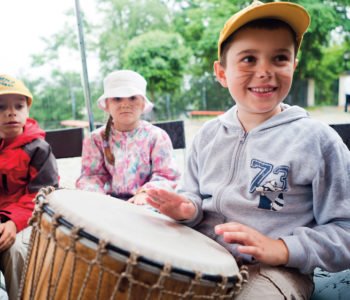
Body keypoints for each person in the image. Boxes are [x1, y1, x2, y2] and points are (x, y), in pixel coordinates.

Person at [145, 1, 350, 299]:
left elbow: (345, 230)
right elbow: (193, 194)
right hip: (201, 254)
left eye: (279, 58)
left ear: (293, 65)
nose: (265, 71)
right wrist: (186, 209)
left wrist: (281, 249)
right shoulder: (208, 135)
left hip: (275, 272)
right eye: (248, 59)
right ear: (221, 72)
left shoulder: (317, 140)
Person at [76, 70, 180, 204]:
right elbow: (91, 177)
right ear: (107, 105)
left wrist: (146, 193)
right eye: (117, 98)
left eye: (132, 98)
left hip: (148, 204)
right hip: (107, 205)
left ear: (143, 104)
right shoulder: (95, 139)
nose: (125, 104)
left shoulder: (157, 136)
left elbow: (167, 175)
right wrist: (99, 199)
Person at [0, 74, 59, 299]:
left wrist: (12, 223)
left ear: (27, 111)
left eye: (19, 106)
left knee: (16, 251)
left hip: (26, 220)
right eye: (1, 106)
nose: (11, 112)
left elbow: (43, 195)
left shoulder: (38, 149)